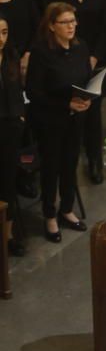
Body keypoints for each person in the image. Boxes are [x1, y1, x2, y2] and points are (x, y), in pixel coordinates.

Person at [25, 2, 91, 243]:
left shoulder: (80, 47)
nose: (71, 26)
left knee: (70, 164)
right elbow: (34, 92)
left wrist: (87, 98)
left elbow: (86, 77)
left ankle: (66, 208)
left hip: (75, 120)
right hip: (49, 120)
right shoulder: (41, 53)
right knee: (51, 167)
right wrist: (66, 105)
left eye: (73, 21)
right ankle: (49, 215)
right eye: (65, 22)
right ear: (52, 26)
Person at [47, 0, 106, 185]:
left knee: (94, 112)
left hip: (95, 58)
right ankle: (70, 161)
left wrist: (94, 56)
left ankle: (95, 160)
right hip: (67, 60)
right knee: (72, 110)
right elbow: (52, 29)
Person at [0, 14, 25, 256]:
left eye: (5, 32)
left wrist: (19, 117)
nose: (1, 38)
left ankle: (8, 235)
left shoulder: (11, 56)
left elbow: (16, 91)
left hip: (9, 125)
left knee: (8, 181)